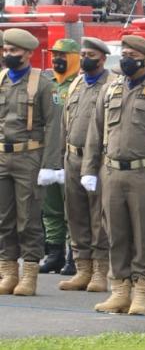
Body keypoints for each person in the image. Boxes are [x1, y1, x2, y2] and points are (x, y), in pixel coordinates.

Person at [81, 35, 145, 315]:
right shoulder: (110, 90)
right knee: (115, 233)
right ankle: (120, 291)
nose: (125, 59)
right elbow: (95, 133)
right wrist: (90, 169)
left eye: (131, 54)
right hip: (112, 172)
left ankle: (142, 293)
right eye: (123, 53)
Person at [0, 27, 64, 296]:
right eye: (6, 50)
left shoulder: (44, 84)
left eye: (13, 51)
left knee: (28, 219)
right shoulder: (2, 79)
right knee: (4, 218)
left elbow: (54, 125)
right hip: (3, 155)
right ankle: (8, 271)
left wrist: (49, 166)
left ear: (28, 53)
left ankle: (29, 273)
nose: (8, 54)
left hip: (30, 157)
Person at [58, 37, 112, 293]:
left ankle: (100, 271)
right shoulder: (78, 82)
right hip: (72, 157)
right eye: (82, 53)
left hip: (99, 160)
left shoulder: (112, 84)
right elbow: (65, 122)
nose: (84, 58)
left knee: (98, 216)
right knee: (76, 214)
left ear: (102, 58)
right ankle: (83, 269)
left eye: (90, 54)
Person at [39, 37, 78, 275]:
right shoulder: (47, 83)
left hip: (71, 155)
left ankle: (75, 257)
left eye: (62, 55)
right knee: (50, 207)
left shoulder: (80, 84)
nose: (57, 59)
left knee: (72, 208)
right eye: (54, 54)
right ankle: (54, 254)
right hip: (48, 155)